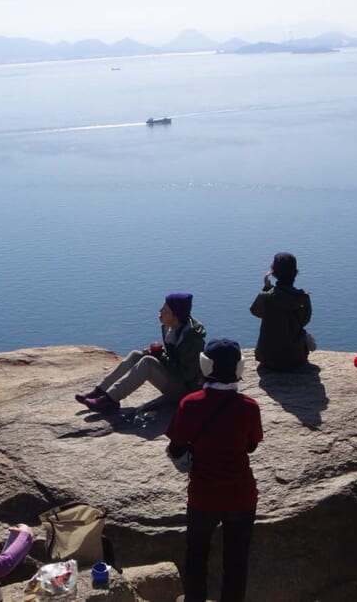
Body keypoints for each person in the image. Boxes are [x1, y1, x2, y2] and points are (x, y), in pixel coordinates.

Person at [166, 338, 263, 602]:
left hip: (203, 496)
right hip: (241, 496)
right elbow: (252, 445)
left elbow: (176, 446)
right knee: (236, 562)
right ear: (240, 368)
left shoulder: (190, 403)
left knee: (196, 556)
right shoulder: (249, 406)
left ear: (204, 365)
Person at [76, 292, 207, 414]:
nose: (160, 312)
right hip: (177, 381)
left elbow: (186, 375)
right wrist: (155, 354)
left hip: (185, 391)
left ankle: (110, 400)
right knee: (136, 355)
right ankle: (100, 391)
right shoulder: (174, 327)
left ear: (176, 317)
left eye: (166, 311)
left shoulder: (192, 340)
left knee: (147, 362)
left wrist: (159, 356)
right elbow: (173, 359)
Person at [249, 252, 314, 371]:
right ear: (295, 273)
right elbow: (304, 321)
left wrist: (267, 288)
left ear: (273, 273)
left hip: (267, 358)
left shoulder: (266, 296)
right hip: (296, 358)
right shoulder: (302, 297)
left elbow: (255, 311)